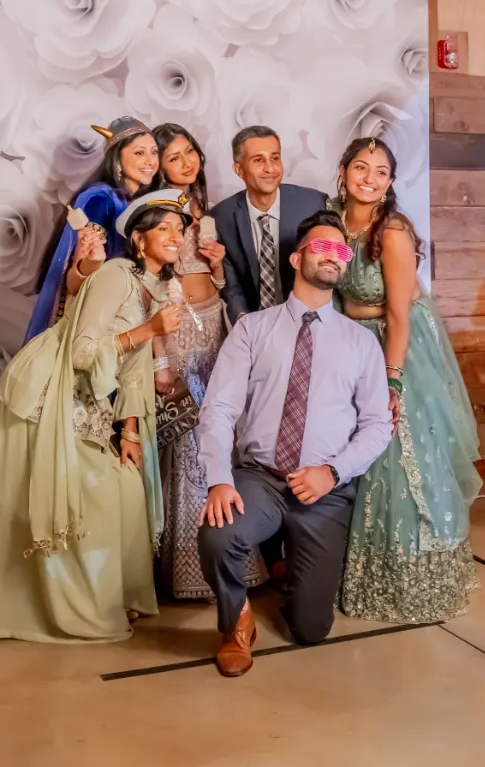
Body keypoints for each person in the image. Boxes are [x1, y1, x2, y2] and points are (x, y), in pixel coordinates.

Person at [194, 210, 394, 676]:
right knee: (218, 533)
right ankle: (236, 621)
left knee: (310, 630)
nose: (333, 256)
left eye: (341, 251)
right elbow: (219, 409)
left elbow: (377, 426)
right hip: (260, 477)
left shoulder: (360, 343)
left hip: (323, 489)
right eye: (321, 247)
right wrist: (220, 480)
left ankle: (287, 565)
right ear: (296, 257)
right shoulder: (252, 329)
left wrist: (333, 472)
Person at [0, 190, 189, 643]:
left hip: (90, 398)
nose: (176, 236)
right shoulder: (115, 276)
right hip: (47, 392)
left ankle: (115, 596)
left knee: (126, 489)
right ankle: (72, 611)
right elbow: (81, 352)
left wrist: (131, 431)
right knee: (81, 501)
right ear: (139, 240)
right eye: (165, 229)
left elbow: (134, 369)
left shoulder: (154, 286)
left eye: (181, 229)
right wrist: (148, 330)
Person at [333, 137, 481, 624]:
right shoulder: (332, 223)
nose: (369, 178)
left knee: (399, 456)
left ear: (391, 183)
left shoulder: (392, 232)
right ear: (343, 171)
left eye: (380, 172)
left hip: (393, 346)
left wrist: (392, 382)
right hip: (349, 343)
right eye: (361, 167)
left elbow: (398, 313)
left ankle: (412, 576)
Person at [148, 124, 267, 599]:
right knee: (185, 434)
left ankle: (234, 553)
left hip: (215, 322)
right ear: (158, 164)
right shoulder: (156, 213)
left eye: (190, 152)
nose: (186, 162)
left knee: (222, 426)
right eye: (174, 157)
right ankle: (182, 567)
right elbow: (149, 283)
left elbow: (217, 281)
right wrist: (159, 357)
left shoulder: (204, 209)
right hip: (180, 331)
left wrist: (217, 266)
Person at [25, 117, 162, 341]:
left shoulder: (130, 201)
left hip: (121, 313)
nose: (150, 161)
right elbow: (79, 273)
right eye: (139, 153)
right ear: (117, 158)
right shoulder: (100, 199)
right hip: (96, 320)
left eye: (154, 152)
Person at [210, 126, 328, 323]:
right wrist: (244, 320)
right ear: (239, 170)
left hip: (310, 318)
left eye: (275, 158)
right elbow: (232, 286)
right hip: (255, 322)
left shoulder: (313, 205)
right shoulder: (221, 217)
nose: (270, 168)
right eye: (258, 160)